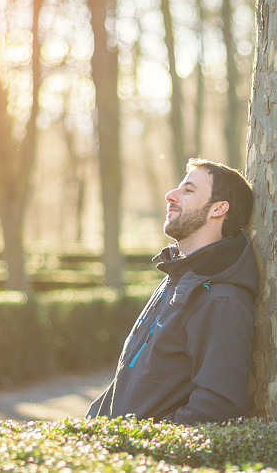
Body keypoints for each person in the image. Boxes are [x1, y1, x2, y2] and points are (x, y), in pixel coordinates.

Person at [86, 158, 257, 424]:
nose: (170, 195)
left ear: (218, 208)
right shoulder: (177, 276)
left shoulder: (221, 299)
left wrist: (142, 440)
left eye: (188, 190)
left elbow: (219, 405)